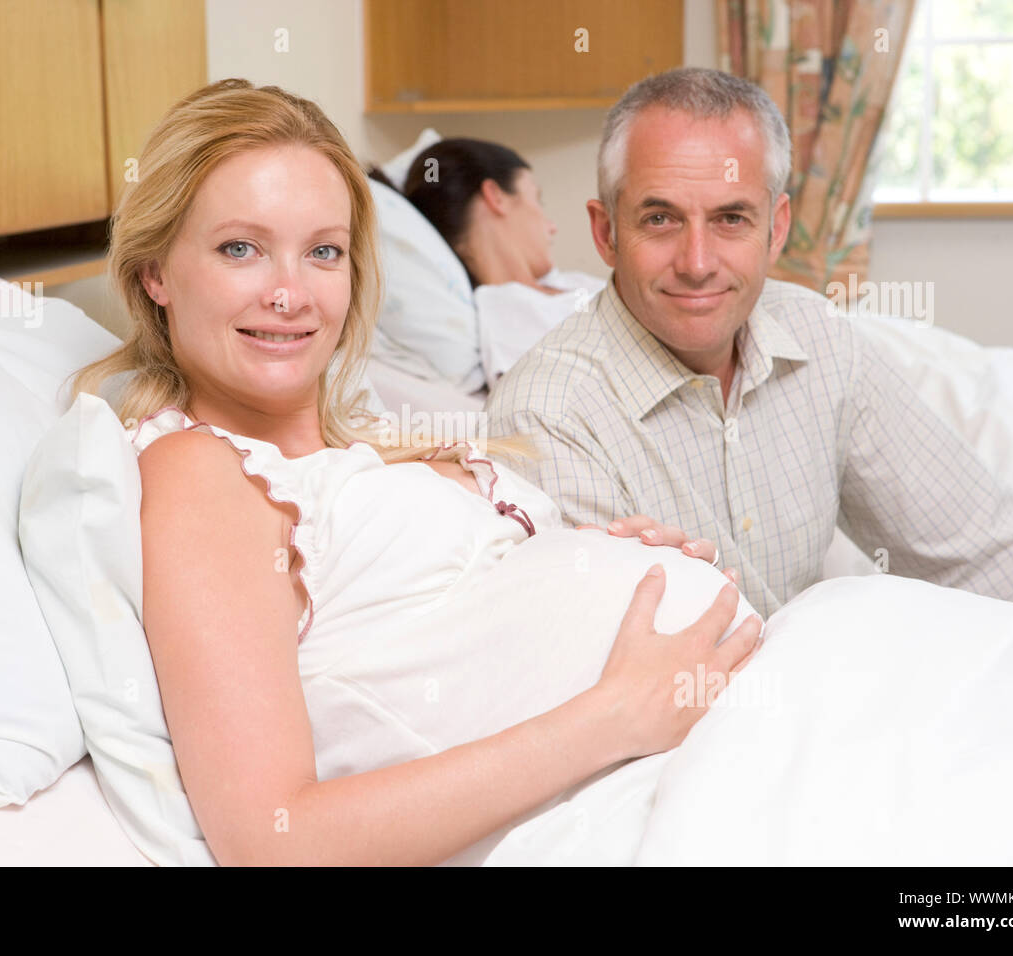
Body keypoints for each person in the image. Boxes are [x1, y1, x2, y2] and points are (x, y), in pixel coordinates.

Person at [70, 79, 763, 867]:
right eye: (241, 248)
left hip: (715, 743)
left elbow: (444, 636)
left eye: (323, 251)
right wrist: (616, 714)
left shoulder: (363, 440)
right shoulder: (201, 474)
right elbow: (273, 838)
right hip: (649, 796)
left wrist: (591, 561)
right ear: (156, 270)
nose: (291, 293)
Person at [484, 67, 1013, 621]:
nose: (697, 263)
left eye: (731, 219)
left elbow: (978, 552)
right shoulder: (546, 417)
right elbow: (642, 681)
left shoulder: (819, 337)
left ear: (778, 229)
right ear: (605, 232)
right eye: (660, 219)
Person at [372, 139, 606, 387]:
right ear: (496, 196)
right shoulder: (506, 314)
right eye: (537, 199)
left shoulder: (568, 283)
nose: (552, 226)